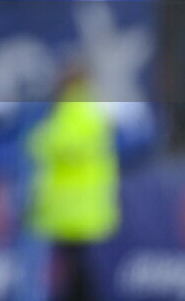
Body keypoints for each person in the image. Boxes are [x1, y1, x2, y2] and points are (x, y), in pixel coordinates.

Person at [25, 66, 120, 301]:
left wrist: (41, 139)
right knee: (77, 276)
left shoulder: (78, 111)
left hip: (75, 214)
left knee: (78, 278)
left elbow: (51, 143)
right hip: (80, 213)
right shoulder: (91, 111)